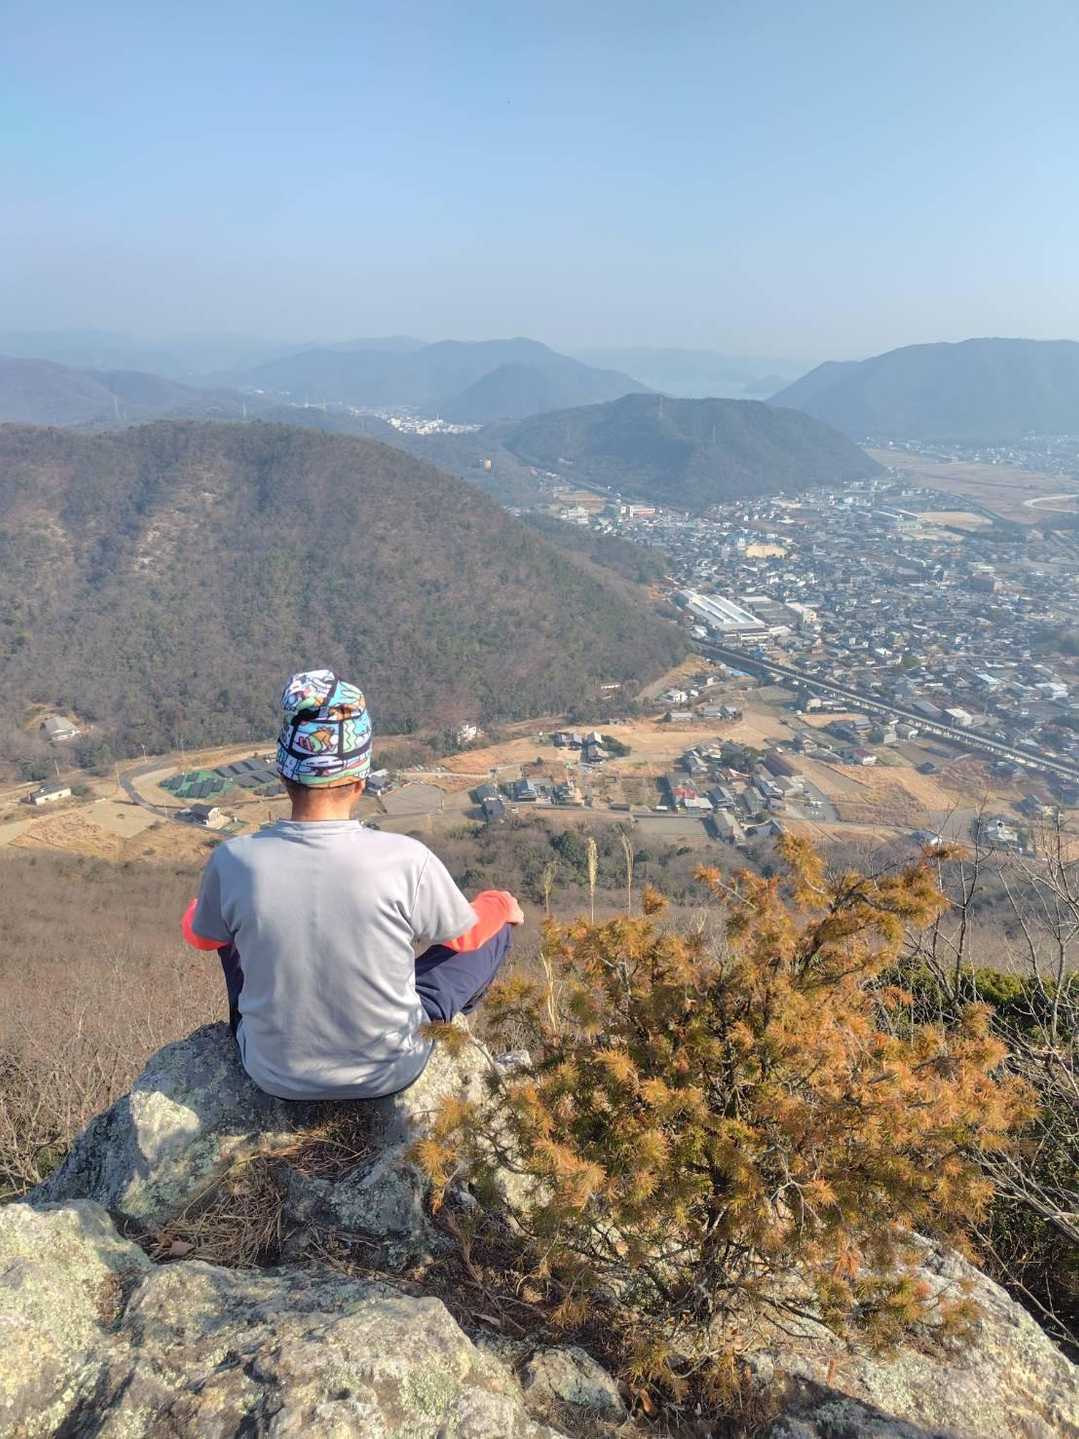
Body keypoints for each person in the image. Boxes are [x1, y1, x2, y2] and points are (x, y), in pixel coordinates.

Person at [182, 669, 522, 1101]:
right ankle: (440, 1019)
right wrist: (499, 904)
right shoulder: (405, 858)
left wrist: (204, 907)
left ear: (284, 777)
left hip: (273, 1071)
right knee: (494, 931)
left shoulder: (233, 861)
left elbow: (202, 937)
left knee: (228, 934)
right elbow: (465, 937)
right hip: (391, 1070)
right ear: (360, 782)